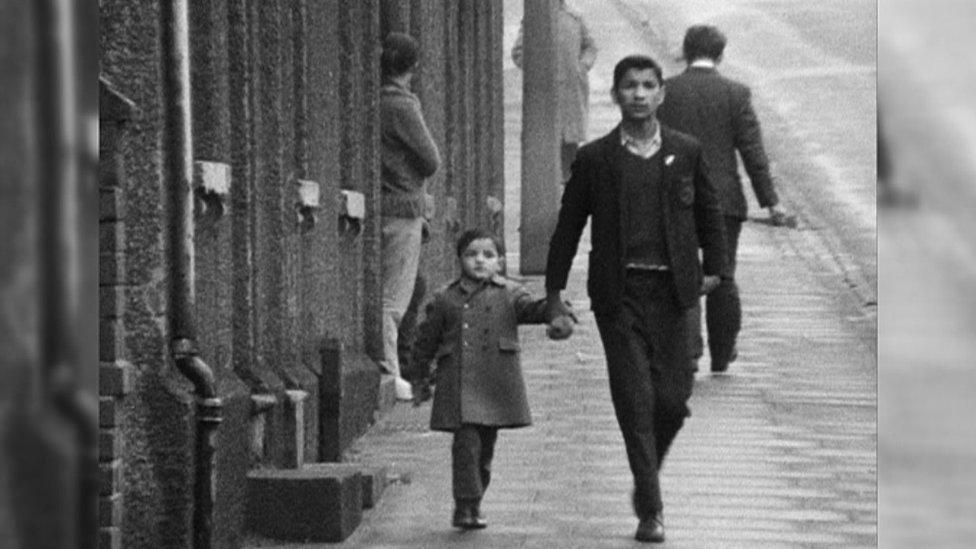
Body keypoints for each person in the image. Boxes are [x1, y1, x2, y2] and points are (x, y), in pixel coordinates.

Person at [544, 55, 729, 543]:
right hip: (619, 295)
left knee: (672, 401)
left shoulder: (686, 151)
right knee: (635, 399)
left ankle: (646, 474)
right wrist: (553, 294)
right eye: (630, 86)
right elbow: (568, 227)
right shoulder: (596, 158)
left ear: (661, 94)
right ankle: (651, 506)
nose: (640, 94)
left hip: (673, 294)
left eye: (649, 85)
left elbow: (709, 212)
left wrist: (717, 270)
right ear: (615, 95)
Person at [406, 228, 574, 530]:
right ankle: (465, 505)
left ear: (499, 262)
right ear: (459, 259)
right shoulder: (446, 298)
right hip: (459, 383)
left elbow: (532, 309)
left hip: (495, 382)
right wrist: (419, 376)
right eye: (471, 255)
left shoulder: (509, 293)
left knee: (485, 449)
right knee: (465, 445)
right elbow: (426, 340)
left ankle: (475, 499)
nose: (479, 261)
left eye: (488, 255)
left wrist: (555, 312)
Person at [657, 24, 792, 373]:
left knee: (681, 269)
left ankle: (689, 351)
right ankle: (722, 353)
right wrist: (771, 202)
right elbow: (752, 151)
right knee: (723, 273)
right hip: (724, 200)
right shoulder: (736, 94)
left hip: (677, 196)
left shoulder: (665, 92)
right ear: (719, 55)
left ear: (685, 53)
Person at [379, 32, 442, 400]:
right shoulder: (401, 105)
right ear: (414, 67)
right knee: (395, 297)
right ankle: (391, 373)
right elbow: (430, 158)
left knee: (412, 285)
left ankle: (401, 364)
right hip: (402, 206)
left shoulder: (378, 102)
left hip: (387, 204)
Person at [512, 0, 598, 183]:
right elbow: (518, 52)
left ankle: (569, 186)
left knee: (569, 138)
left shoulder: (575, 17)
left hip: (571, 90)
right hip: (544, 92)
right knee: (546, 139)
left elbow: (590, 46)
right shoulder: (533, 20)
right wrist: (536, 69)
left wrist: (581, 67)